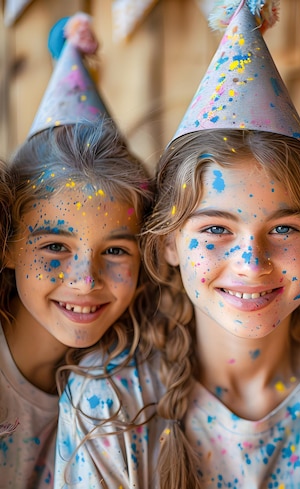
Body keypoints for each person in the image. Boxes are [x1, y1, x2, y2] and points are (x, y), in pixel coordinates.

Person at [54, 2, 300, 488]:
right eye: (215, 230)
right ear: (168, 241)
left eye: (284, 229)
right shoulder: (106, 402)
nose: (252, 263)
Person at [0, 13, 153, 489]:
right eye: (54, 246)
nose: (86, 280)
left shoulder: (125, 381)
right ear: (6, 246)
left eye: (115, 251)